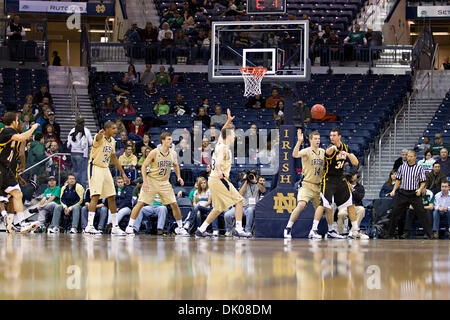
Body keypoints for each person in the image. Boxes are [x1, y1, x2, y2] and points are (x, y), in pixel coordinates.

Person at [195, 109, 251, 238]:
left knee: (218, 208)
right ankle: (238, 228)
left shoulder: (220, 143)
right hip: (219, 178)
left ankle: (201, 229)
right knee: (239, 200)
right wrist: (220, 172)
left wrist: (229, 121)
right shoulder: (224, 148)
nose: (234, 136)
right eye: (233, 135)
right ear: (229, 136)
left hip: (213, 179)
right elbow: (219, 161)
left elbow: (222, 132)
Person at [307, 128, 368, 239]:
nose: (332, 137)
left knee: (350, 204)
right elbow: (327, 153)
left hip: (340, 178)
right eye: (330, 135)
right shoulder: (330, 147)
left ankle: (355, 231)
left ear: (339, 136)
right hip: (329, 179)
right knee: (324, 204)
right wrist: (333, 149)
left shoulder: (345, 147)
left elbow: (356, 162)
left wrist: (348, 155)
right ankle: (313, 230)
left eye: (334, 135)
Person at [125, 132, 189, 236]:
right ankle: (130, 227)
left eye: (171, 139)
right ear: (163, 141)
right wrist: (145, 182)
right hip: (152, 181)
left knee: (174, 204)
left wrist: (179, 177)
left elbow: (176, 165)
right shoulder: (154, 152)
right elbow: (143, 166)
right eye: (168, 139)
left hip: (164, 182)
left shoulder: (173, 153)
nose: (171, 141)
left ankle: (180, 228)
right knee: (140, 203)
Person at [84, 121, 131, 235]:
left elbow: (114, 158)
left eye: (116, 128)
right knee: (95, 196)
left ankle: (115, 226)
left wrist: (123, 173)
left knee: (112, 196)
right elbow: (98, 137)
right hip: (95, 167)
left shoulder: (113, 141)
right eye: (113, 128)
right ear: (107, 129)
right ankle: (89, 226)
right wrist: (100, 134)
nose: (116, 130)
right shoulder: (99, 137)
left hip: (105, 169)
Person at [284, 130, 329, 238]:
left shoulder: (323, 151)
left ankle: (317, 231)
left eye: (319, 139)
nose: (317, 141)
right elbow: (294, 154)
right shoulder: (306, 151)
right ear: (310, 140)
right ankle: (288, 228)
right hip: (307, 184)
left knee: (325, 208)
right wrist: (299, 142)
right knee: (301, 205)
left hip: (319, 186)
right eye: (315, 139)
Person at [0, 113, 40, 233]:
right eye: (18, 120)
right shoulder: (7, 132)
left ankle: (21, 223)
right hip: (1, 169)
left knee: (17, 194)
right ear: (13, 122)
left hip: (6, 169)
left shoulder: (8, 132)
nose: (19, 122)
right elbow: (23, 138)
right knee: (10, 197)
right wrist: (33, 128)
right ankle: (8, 218)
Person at [387, 150, 433, 239]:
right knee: (395, 213)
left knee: (422, 213)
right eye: (408, 156)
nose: (409, 158)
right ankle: (389, 234)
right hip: (403, 193)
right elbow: (398, 180)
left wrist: (420, 189)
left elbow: (423, 182)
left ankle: (429, 234)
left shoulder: (419, 168)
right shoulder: (402, 167)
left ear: (415, 157)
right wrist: (393, 190)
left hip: (414, 193)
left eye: (411, 156)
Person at [224, 169, 266, 236]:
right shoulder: (244, 183)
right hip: (241, 207)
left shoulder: (258, 183)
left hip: (252, 207)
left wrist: (255, 181)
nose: (251, 177)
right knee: (227, 215)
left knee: (250, 210)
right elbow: (240, 193)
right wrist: (246, 180)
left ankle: (248, 230)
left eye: (253, 175)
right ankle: (229, 230)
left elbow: (263, 190)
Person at [67, 118, 93, 188]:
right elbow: (91, 142)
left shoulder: (72, 130)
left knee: (75, 171)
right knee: (83, 171)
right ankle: (81, 188)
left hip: (73, 153)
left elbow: (68, 144)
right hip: (82, 154)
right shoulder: (86, 131)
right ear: (84, 123)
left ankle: (73, 187)